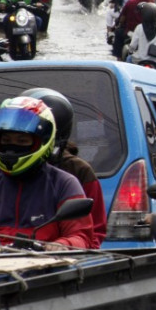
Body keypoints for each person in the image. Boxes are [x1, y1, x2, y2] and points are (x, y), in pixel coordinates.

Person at [0, 97, 95, 249]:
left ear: (42, 141)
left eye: (22, 141)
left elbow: (81, 236)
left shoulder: (63, 184)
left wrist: (61, 245)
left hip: (44, 268)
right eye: (6, 140)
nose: (12, 147)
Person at [20, 88, 107, 246]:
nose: (14, 146)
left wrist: (65, 247)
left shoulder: (75, 173)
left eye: (23, 140)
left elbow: (92, 233)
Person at [127, 2, 156, 68]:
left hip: (139, 60)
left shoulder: (139, 27)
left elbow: (132, 46)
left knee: (128, 59)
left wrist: (130, 52)